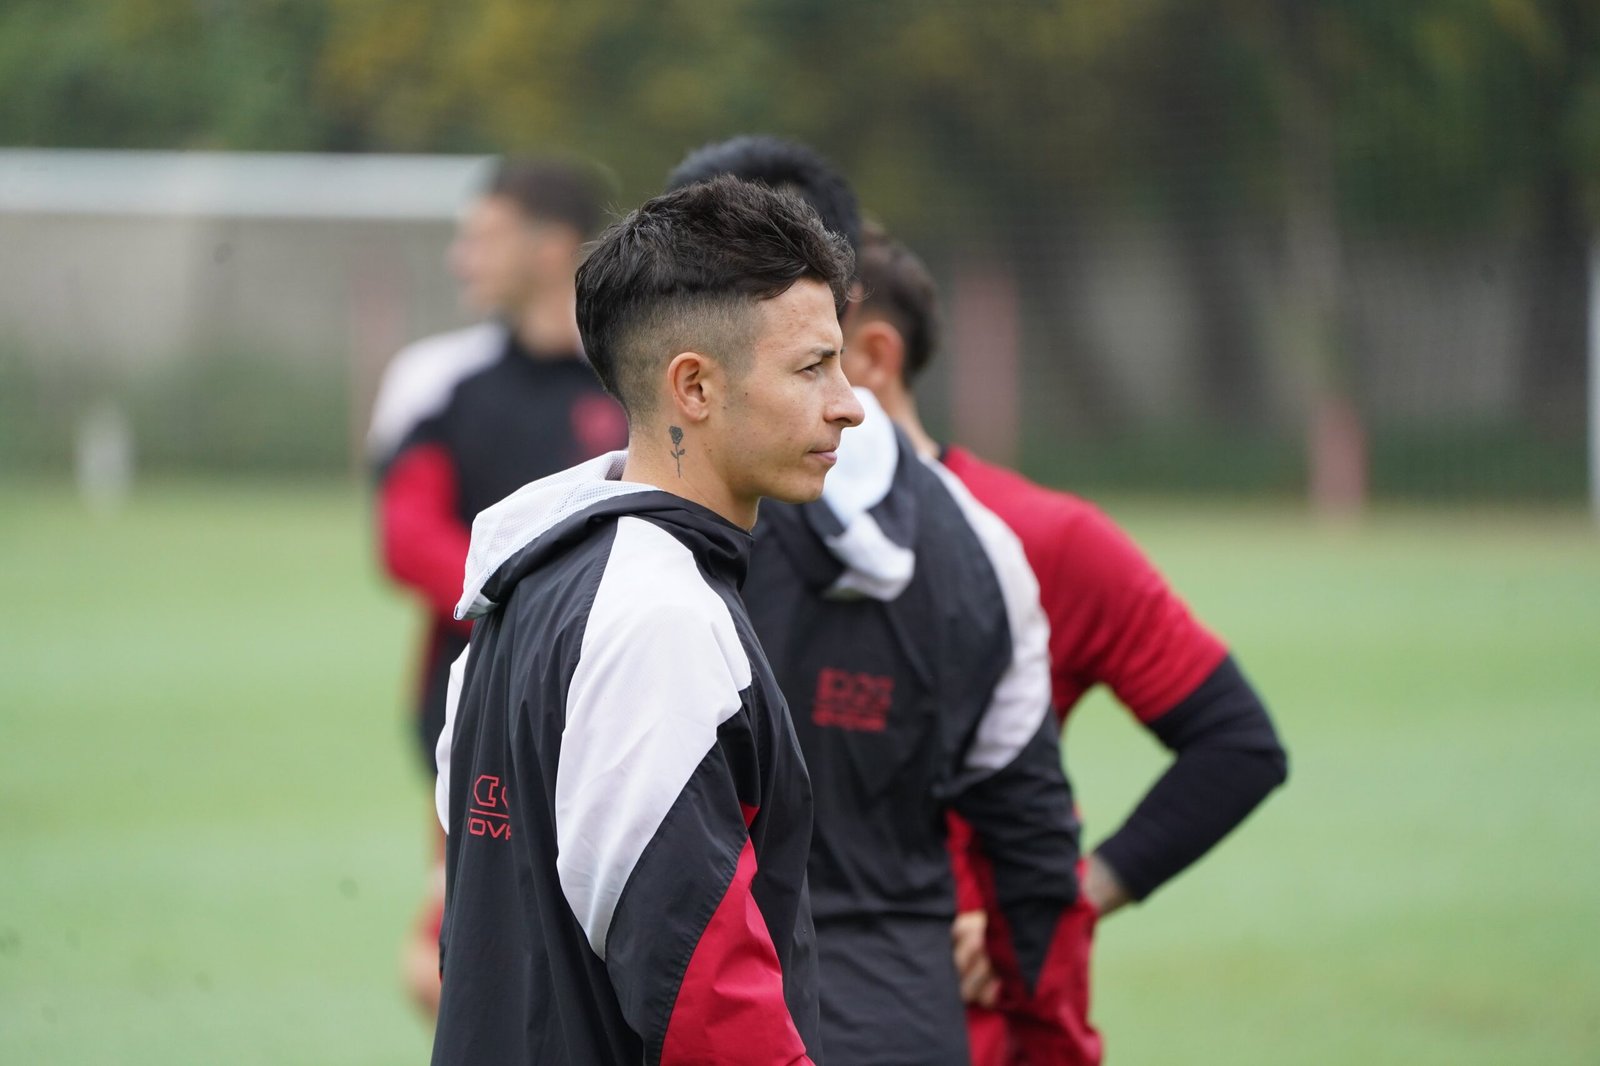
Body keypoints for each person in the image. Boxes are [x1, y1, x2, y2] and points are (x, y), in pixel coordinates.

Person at [669, 137, 1289, 1065]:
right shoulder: (685, 535)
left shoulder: (1033, 542)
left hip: (942, 1008)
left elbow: (1236, 744)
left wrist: (1074, 896)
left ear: (865, 351)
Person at [430, 175, 863, 1064]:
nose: (848, 402)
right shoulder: (655, 613)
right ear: (694, 387)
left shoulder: (528, 583)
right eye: (813, 367)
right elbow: (702, 986)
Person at [742, 386, 1089, 1064]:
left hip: (716, 1011)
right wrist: (1050, 1038)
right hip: (904, 1010)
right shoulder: (981, 547)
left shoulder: (665, 525)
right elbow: (1036, 848)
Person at [364, 157, 628, 1012]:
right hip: (473, 710)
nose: (460, 257)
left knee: (615, 948)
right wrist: (530, 606)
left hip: (618, 696)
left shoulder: (642, 377)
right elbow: (405, 538)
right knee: (456, 965)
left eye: (483, 236)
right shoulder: (445, 385)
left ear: (551, 248)